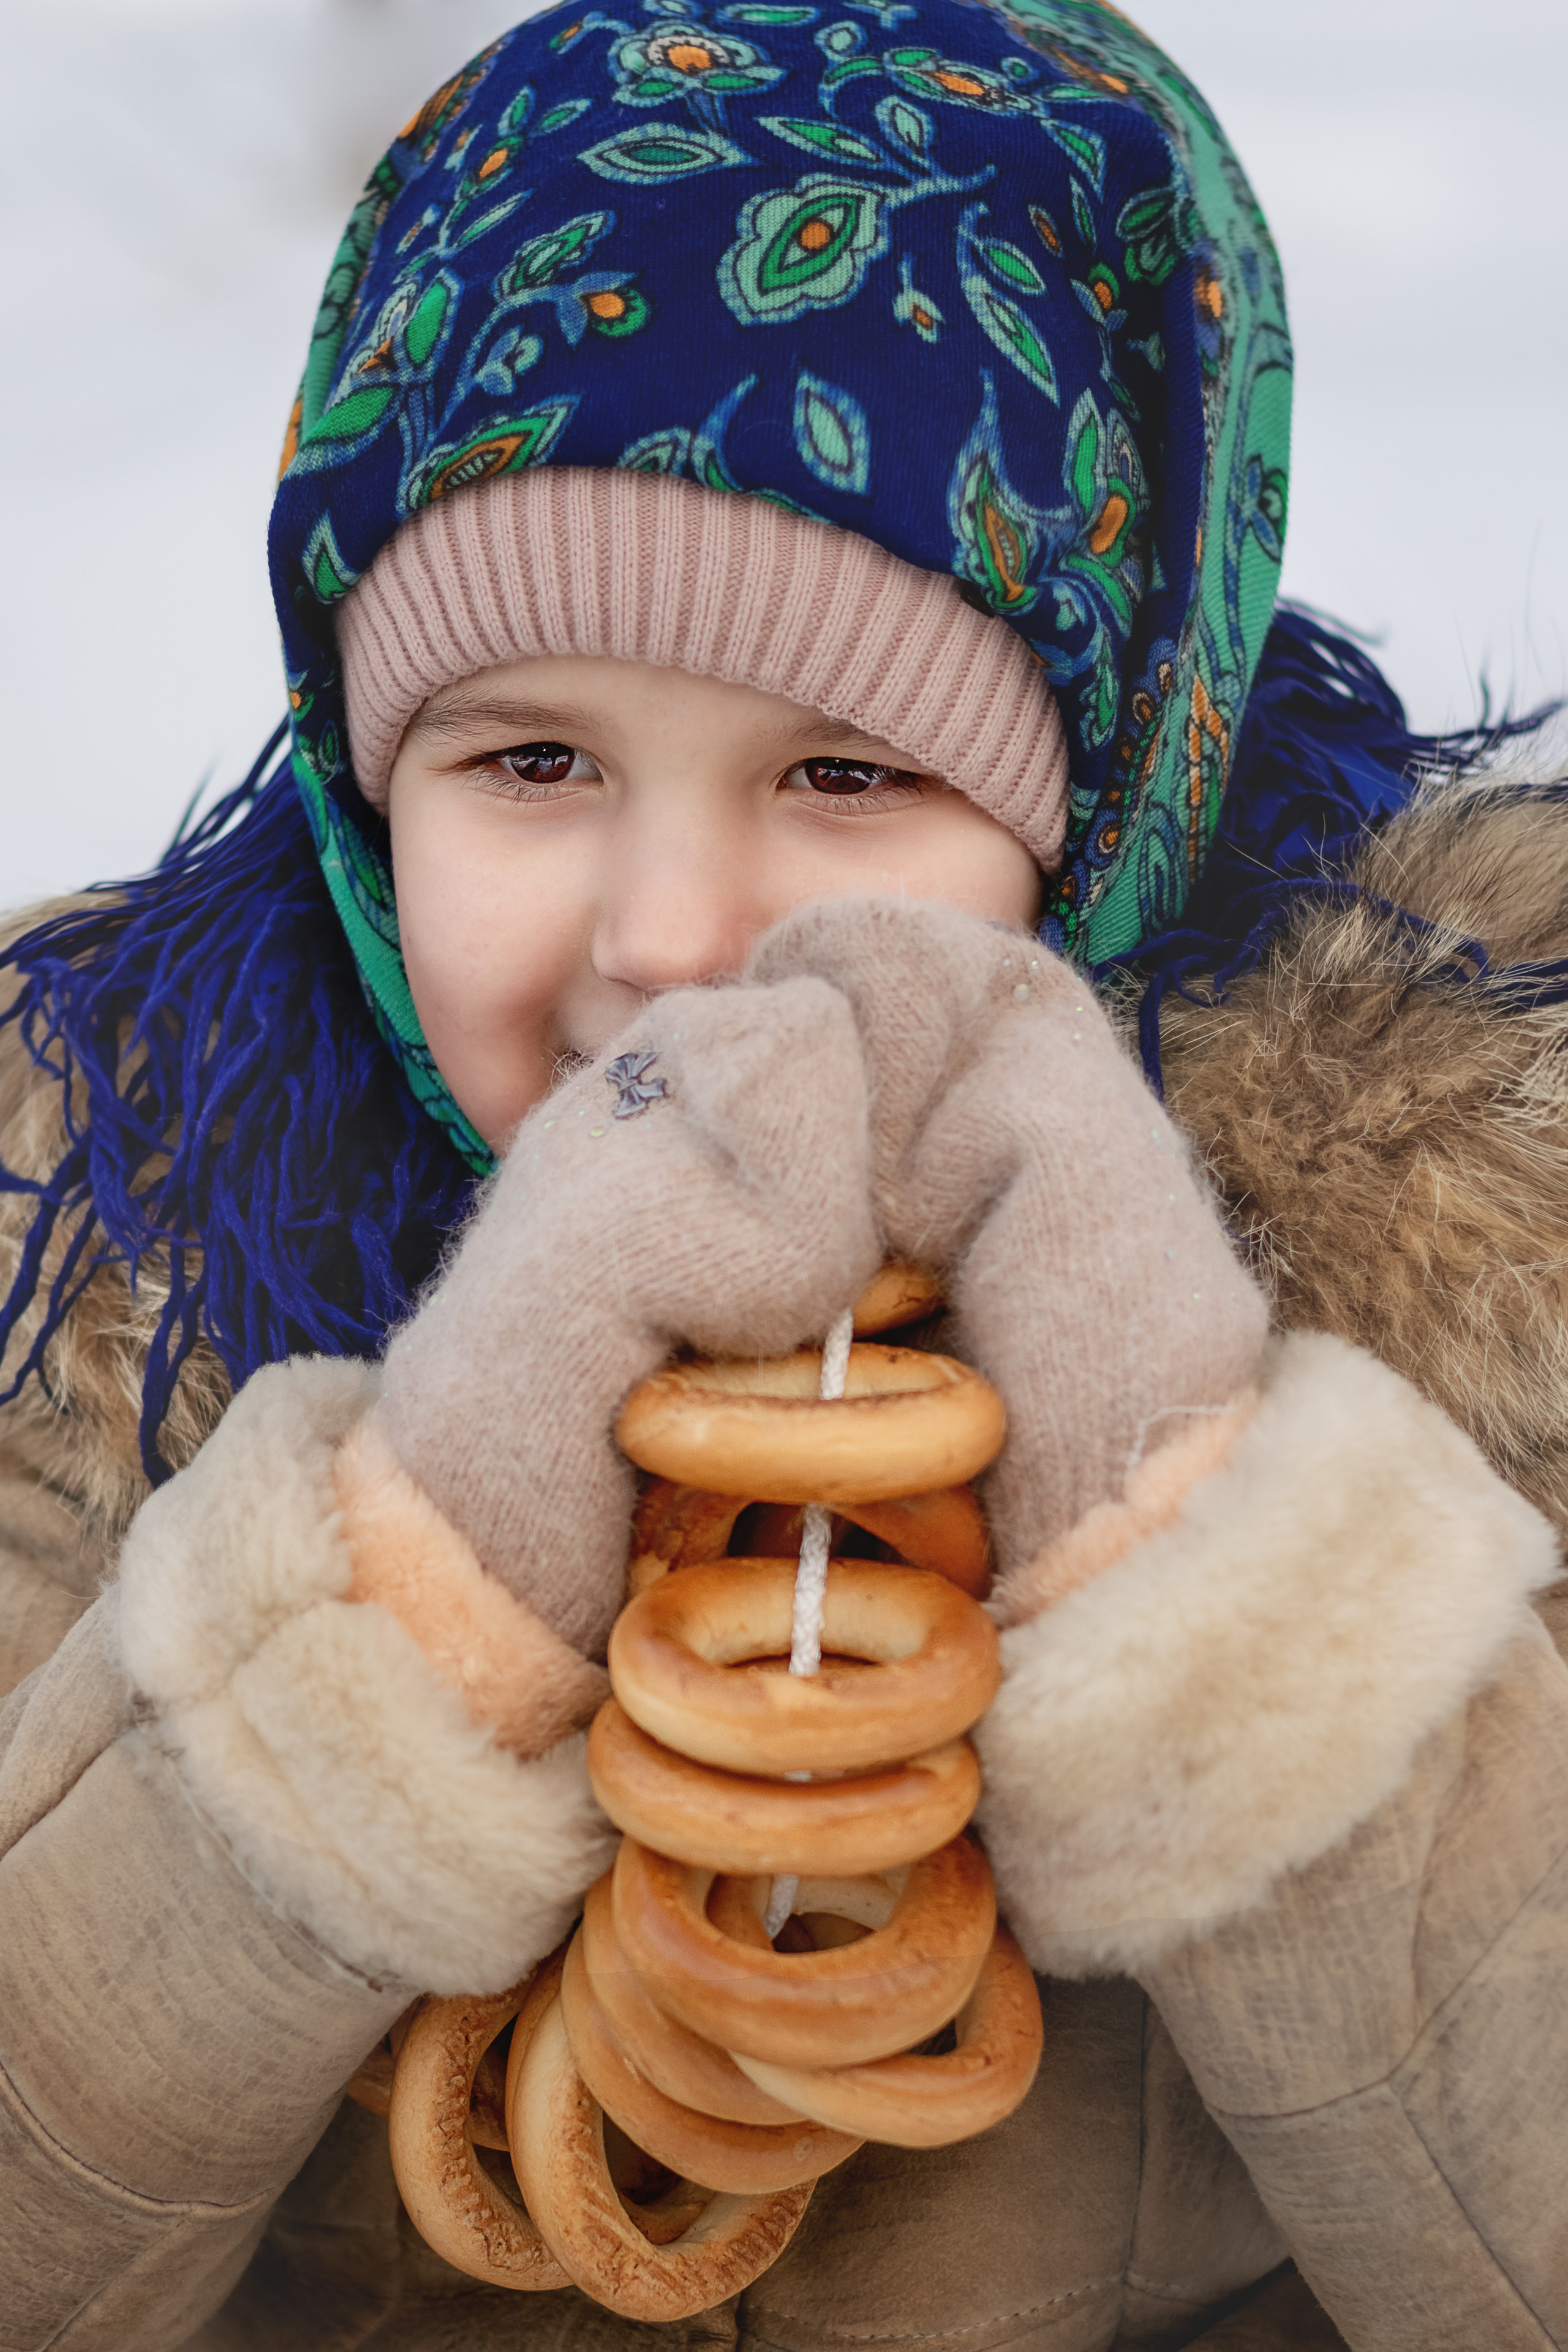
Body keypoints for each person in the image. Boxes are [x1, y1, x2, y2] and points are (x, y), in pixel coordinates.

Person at [2, 1, 1565, 2346]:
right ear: (363, 777)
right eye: (531, 761)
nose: (667, 939)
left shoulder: (1474, 1256)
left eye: (848, 776)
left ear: (1102, 801)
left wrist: (1217, 1559)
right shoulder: (92, 1258)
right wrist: (374, 1627)